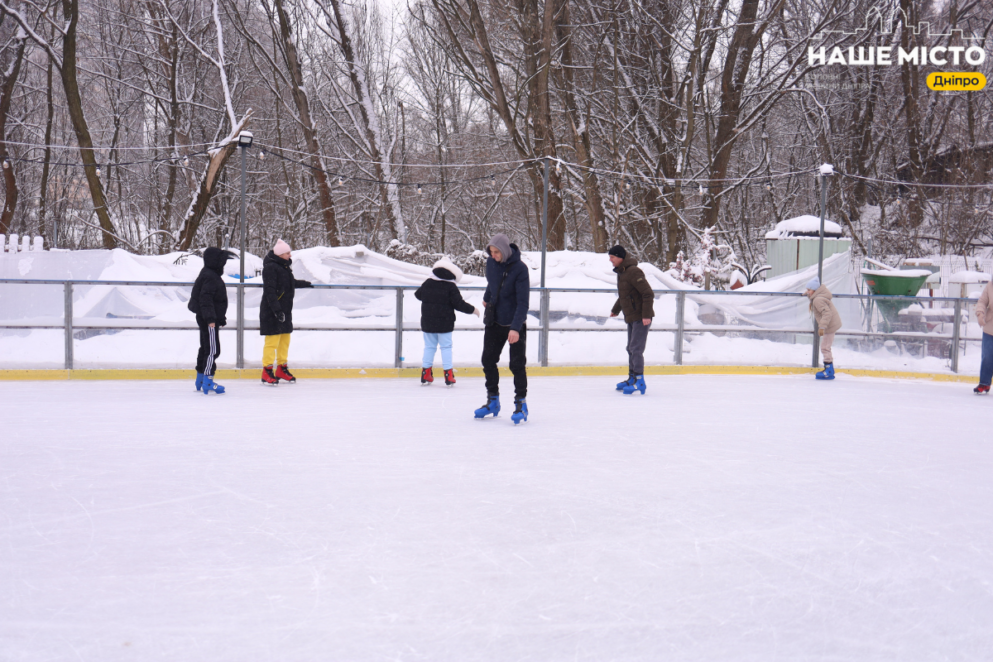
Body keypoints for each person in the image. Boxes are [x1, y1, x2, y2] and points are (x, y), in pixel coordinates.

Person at [474, 233, 530, 423]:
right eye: (491, 252)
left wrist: (515, 328)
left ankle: (520, 403)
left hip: (514, 323)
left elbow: (523, 303)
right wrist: (487, 297)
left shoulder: (520, 269)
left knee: (516, 364)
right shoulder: (491, 263)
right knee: (488, 360)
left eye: (496, 252)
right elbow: (492, 283)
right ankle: (493, 400)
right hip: (495, 321)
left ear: (505, 251)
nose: (493, 255)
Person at [414, 257, 480, 386]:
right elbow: (459, 304)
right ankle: (448, 375)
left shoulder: (428, 282)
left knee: (429, 347)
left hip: (428, 322)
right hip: (445, 323)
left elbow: (418, 295)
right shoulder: (450, 286)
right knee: (446, 347)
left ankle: (425, 373)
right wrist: (473, 310)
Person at [260, 239, 313, 385]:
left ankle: (281, 369)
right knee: (272, 342)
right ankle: (267, 370)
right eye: (288, 253)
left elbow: (288, 283)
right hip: (272, 310)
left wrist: (303, 284)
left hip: (285, 310)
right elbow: (270, 291)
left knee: (284, 341)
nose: (290, 255)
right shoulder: (270, 268)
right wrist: (277, 310)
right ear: (281, 254)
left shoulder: (283, 267)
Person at [608, 245, 655, 394]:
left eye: (612, 257)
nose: (610, 260)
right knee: (630, 348)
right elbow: (625, 295)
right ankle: (632, 378)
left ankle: (640, 381)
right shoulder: (622, 273)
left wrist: (646, 315)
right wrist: (616, 310)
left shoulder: (634, 272)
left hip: (641, 317)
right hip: (631, 316)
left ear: (620, 257)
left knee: (636, 348)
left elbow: (647, 293)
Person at [189, 247, 235, 394]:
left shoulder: (208, 274)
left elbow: (213, 300)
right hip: (208, 319)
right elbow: (206, 299)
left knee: (205, 347)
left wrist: (219, 317)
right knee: (212, 350)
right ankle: (207, 380)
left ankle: (200, 378)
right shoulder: (210, 277)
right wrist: (211, 318)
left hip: (207, 317)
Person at [805, 276, 842, 380]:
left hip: (829, 326)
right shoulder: (819, 296)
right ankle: (829, 369)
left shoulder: (818, 300)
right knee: (826, 347)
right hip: (830, 324)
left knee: (825, 347)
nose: (807, 292)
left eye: (809, 290)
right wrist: (807, 294)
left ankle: (829, 371)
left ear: (815, 290)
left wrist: (822, 327)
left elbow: (827, 314)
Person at [973, 277, 993, 394]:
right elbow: (982, 301)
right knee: (987, 356)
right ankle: (984, 383)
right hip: (990, 327)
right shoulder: (990, 285)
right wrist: (980, 313)